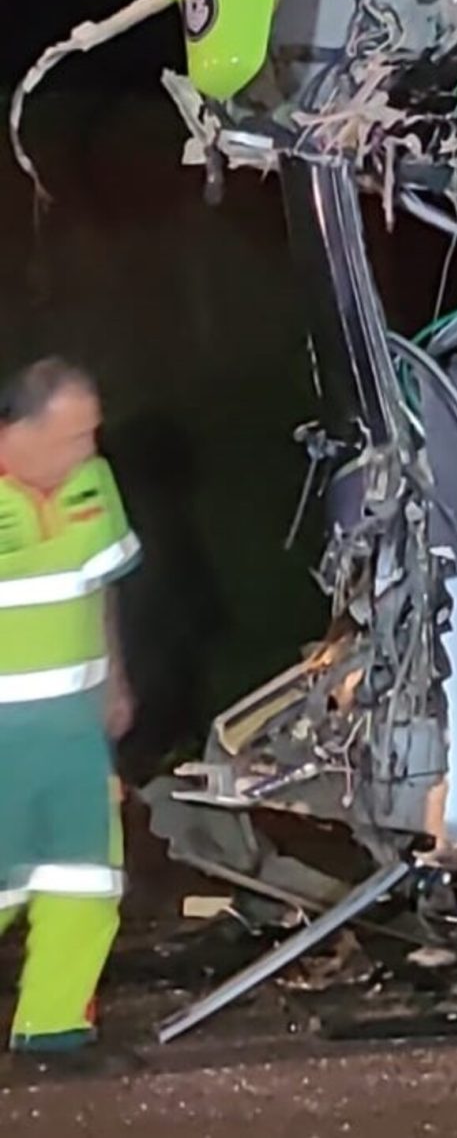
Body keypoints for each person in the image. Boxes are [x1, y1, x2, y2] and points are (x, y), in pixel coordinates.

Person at [0, 359, 139, 1061]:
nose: (86, 451)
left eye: (91, 434)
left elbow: (101, 585)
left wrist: (114, 679)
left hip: (74, 730)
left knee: (83, 880)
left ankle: (54, 1029)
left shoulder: (93, 482)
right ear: (15, 431)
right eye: (70, 437)